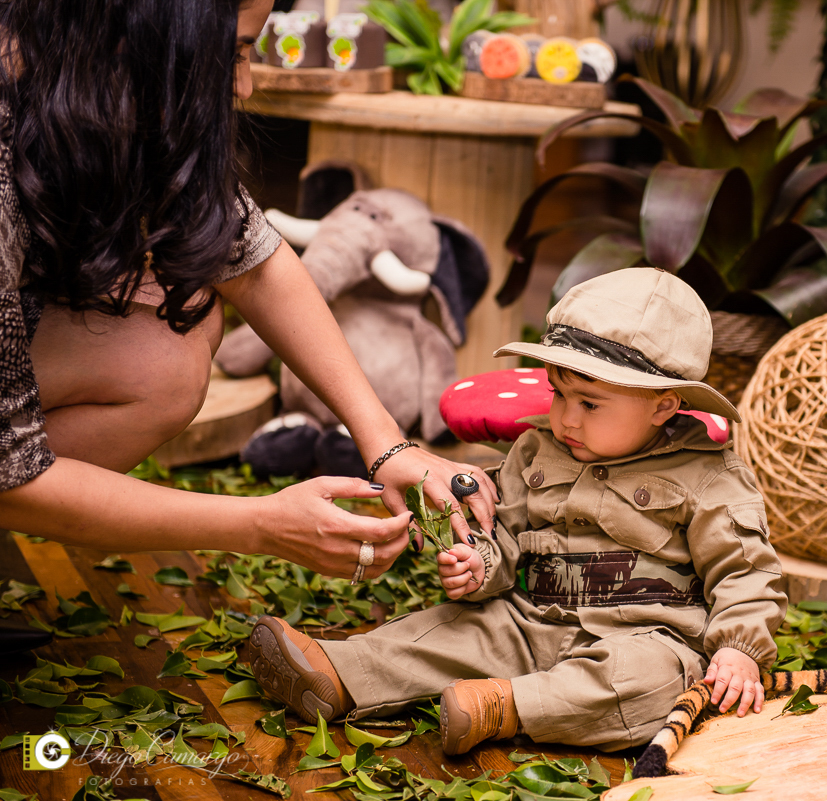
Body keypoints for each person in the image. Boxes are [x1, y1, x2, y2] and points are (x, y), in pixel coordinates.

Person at [0, 0, 496, 580]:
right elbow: (9, 470)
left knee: (168, 347)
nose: (244, 83)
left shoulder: (99, 89)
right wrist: (262, 525)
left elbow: (255, 262)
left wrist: (388, 444)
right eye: (233, 50)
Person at [247, 268, 787, 754]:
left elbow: (745, 572)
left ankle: (502, 706)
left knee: (650, 680)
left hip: (642, 635)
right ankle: (339, 674)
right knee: (444, 633)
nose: (566, 418)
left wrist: (739, 648)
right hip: (526, 618)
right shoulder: (535, 450)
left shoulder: (711, 478)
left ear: (663, 405)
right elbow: (503, 530)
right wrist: (480, 565)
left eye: (589, 403)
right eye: (559, 393)